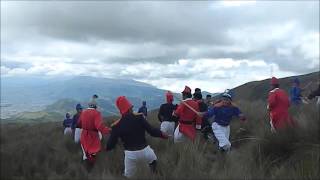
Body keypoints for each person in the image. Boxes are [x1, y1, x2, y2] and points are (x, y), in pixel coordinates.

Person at [106, 96, 168, 178]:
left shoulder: (117, 125)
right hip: (145, 151)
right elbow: (152, 131)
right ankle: (154, 175)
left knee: (128, 176)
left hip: (131, 155)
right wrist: (163, 134)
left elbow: (110, 145)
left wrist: (106, 147)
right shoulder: (139, 118)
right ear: (129, 107)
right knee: (153, 162)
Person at [77, 95, 111, 171]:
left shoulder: (83, 112)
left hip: (84, 135)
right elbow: (99, 126)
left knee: (85, 153)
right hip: (93, 136)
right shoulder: (96, 113)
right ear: (96, 106)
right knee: (93, 154)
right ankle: (91, 169)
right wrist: (108, 130)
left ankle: (83, 169)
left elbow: (79, 124)